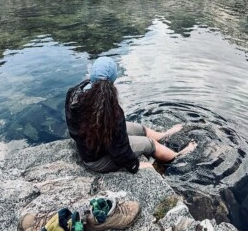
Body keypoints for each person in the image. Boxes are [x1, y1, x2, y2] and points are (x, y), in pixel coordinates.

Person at [65, 56, 196, 173]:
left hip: (93, 147)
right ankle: (179, 155)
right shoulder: (113, 113)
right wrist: (134, 165)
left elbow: (74, 130)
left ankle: (164, 135)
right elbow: (119, 152)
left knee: (140, 129)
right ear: (113, 80)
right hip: (97, 160)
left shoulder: (74, 94)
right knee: (150, 144)